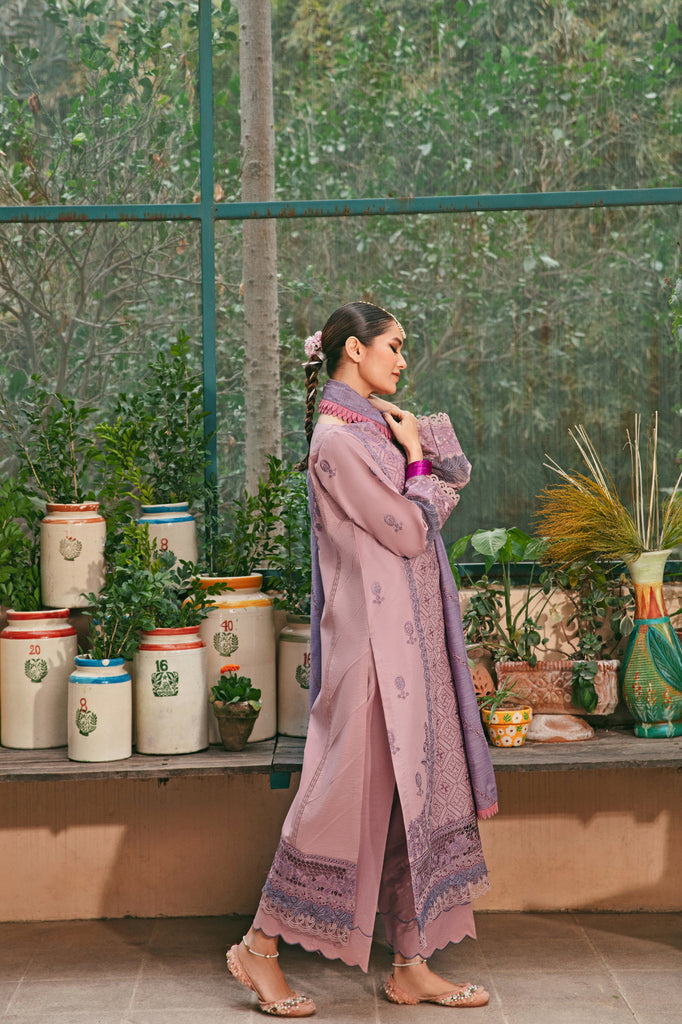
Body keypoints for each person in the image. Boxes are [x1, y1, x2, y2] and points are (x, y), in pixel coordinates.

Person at [226, 301, 498, 1016]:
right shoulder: (337, 443)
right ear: (354, 350)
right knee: (335, 802)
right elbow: (409, 531)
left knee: (414, 804)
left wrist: (412, 443)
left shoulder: (374, 427)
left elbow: (454, 475)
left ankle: (411, 965)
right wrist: (417, 460)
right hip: (372, 654)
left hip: (411, 648)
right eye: (394, 346)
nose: (403, 360)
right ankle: (258, 947)